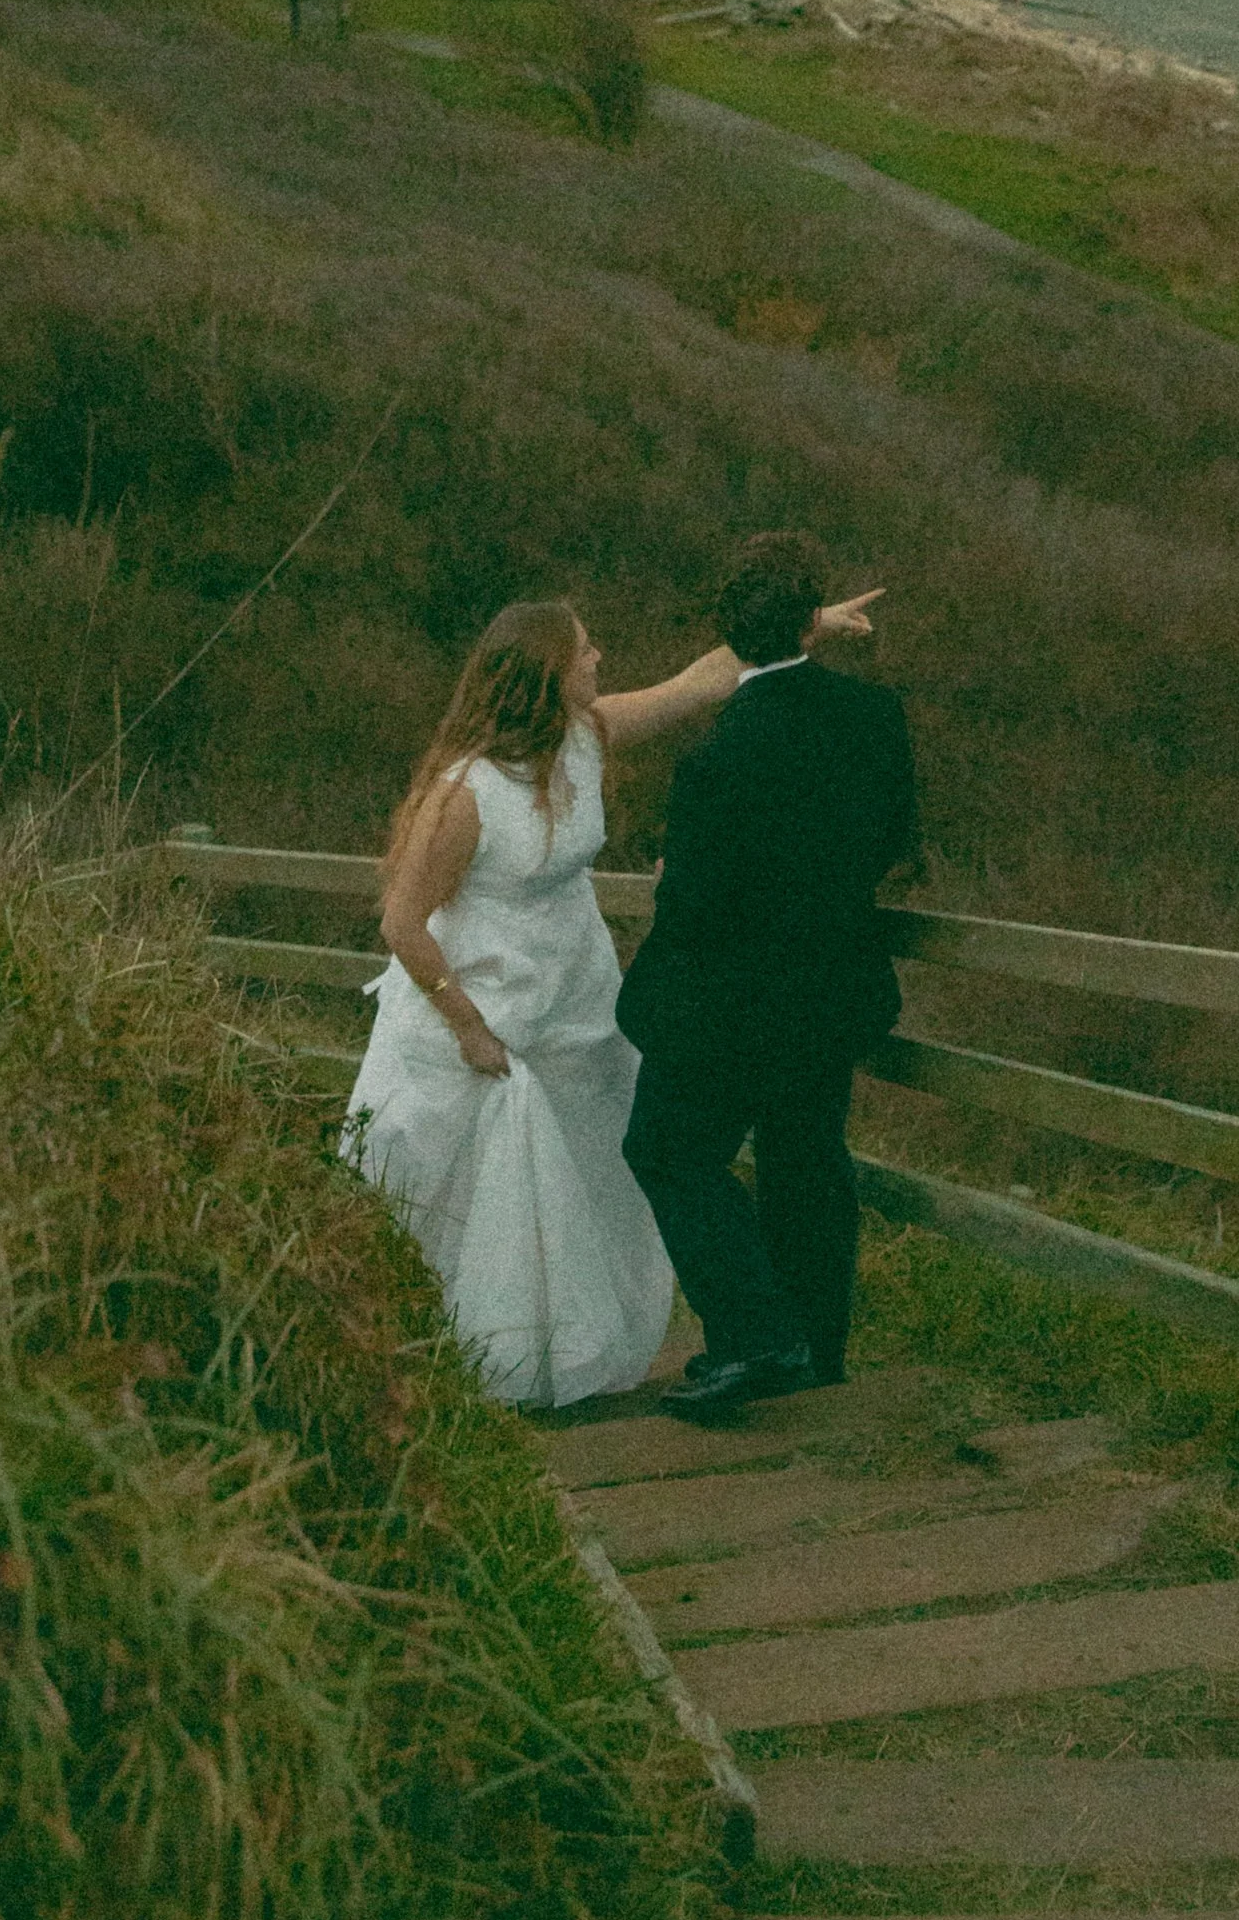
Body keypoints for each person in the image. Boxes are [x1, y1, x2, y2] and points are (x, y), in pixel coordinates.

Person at [341, 580, 873, 1410]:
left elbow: (695, 685)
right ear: (547, 673)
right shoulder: (465, 793)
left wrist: (801, 630)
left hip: (575, 1000)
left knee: (584, 1174)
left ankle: (569, 1349)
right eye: (584, 648)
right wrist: (469, 1027)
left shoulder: (582, 739)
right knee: (470, 1184)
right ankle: (445, 1351)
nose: (599, 656)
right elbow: (403, 923)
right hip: (480, 1005)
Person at [619, 529, 919, 1422]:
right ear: (810, 622)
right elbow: (891, 843)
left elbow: (693, 908)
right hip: (831, 992)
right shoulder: (876, 718)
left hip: (727, 1009)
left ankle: (753, 1335)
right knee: (806, 1157)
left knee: (668, 1151)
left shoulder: (715, 759)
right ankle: (818, 1345)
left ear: (726, 634)